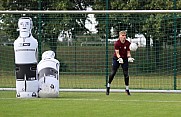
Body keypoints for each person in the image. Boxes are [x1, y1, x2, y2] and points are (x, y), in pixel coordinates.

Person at [14, 17, 39, 98]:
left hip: (31, 65)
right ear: (18, 25)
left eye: (27, 24)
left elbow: (36, 55)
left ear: (31, 26)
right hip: (19, 65)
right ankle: (19, 91)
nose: (24, 26)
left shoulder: (34, 41)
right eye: (21, 24)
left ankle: (33, 91)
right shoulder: (16, 42)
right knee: (20, 77)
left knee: (31, 77)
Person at [106, 31, 134, 96]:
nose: (124, 37)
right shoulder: (117, 43)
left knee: (126, 74)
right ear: (119, 36)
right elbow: (117, 53)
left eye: (125, 35)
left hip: (124, 59)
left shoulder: (127, 43)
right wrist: (119, 58)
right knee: (113, 73)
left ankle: (127, 89)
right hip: (116, 59)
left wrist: (129, 57)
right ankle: (108, 86)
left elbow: (128, 52)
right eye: (122, 35)